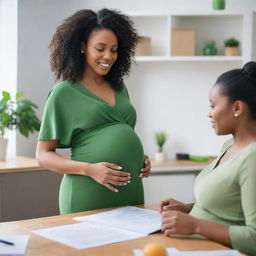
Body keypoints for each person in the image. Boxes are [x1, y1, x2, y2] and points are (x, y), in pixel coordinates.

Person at [36, 8, 151, 214]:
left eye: (114, 49)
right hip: (88, 191)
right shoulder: (64, 93)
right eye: (100, 48)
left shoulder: (119, 87)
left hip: (130, 190)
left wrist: (140, 159)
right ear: (82, 47)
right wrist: (89, 169)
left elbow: (121, 135)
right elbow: (43, 155)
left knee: (129, 245)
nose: (108, 56)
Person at [159, 61, 256, 255]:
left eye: (213, 106)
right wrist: (188, 208)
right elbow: (231, 206)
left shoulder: (252, 158)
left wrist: (196, 225)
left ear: (237, 107)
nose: (209, 113)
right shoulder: (229, 145)